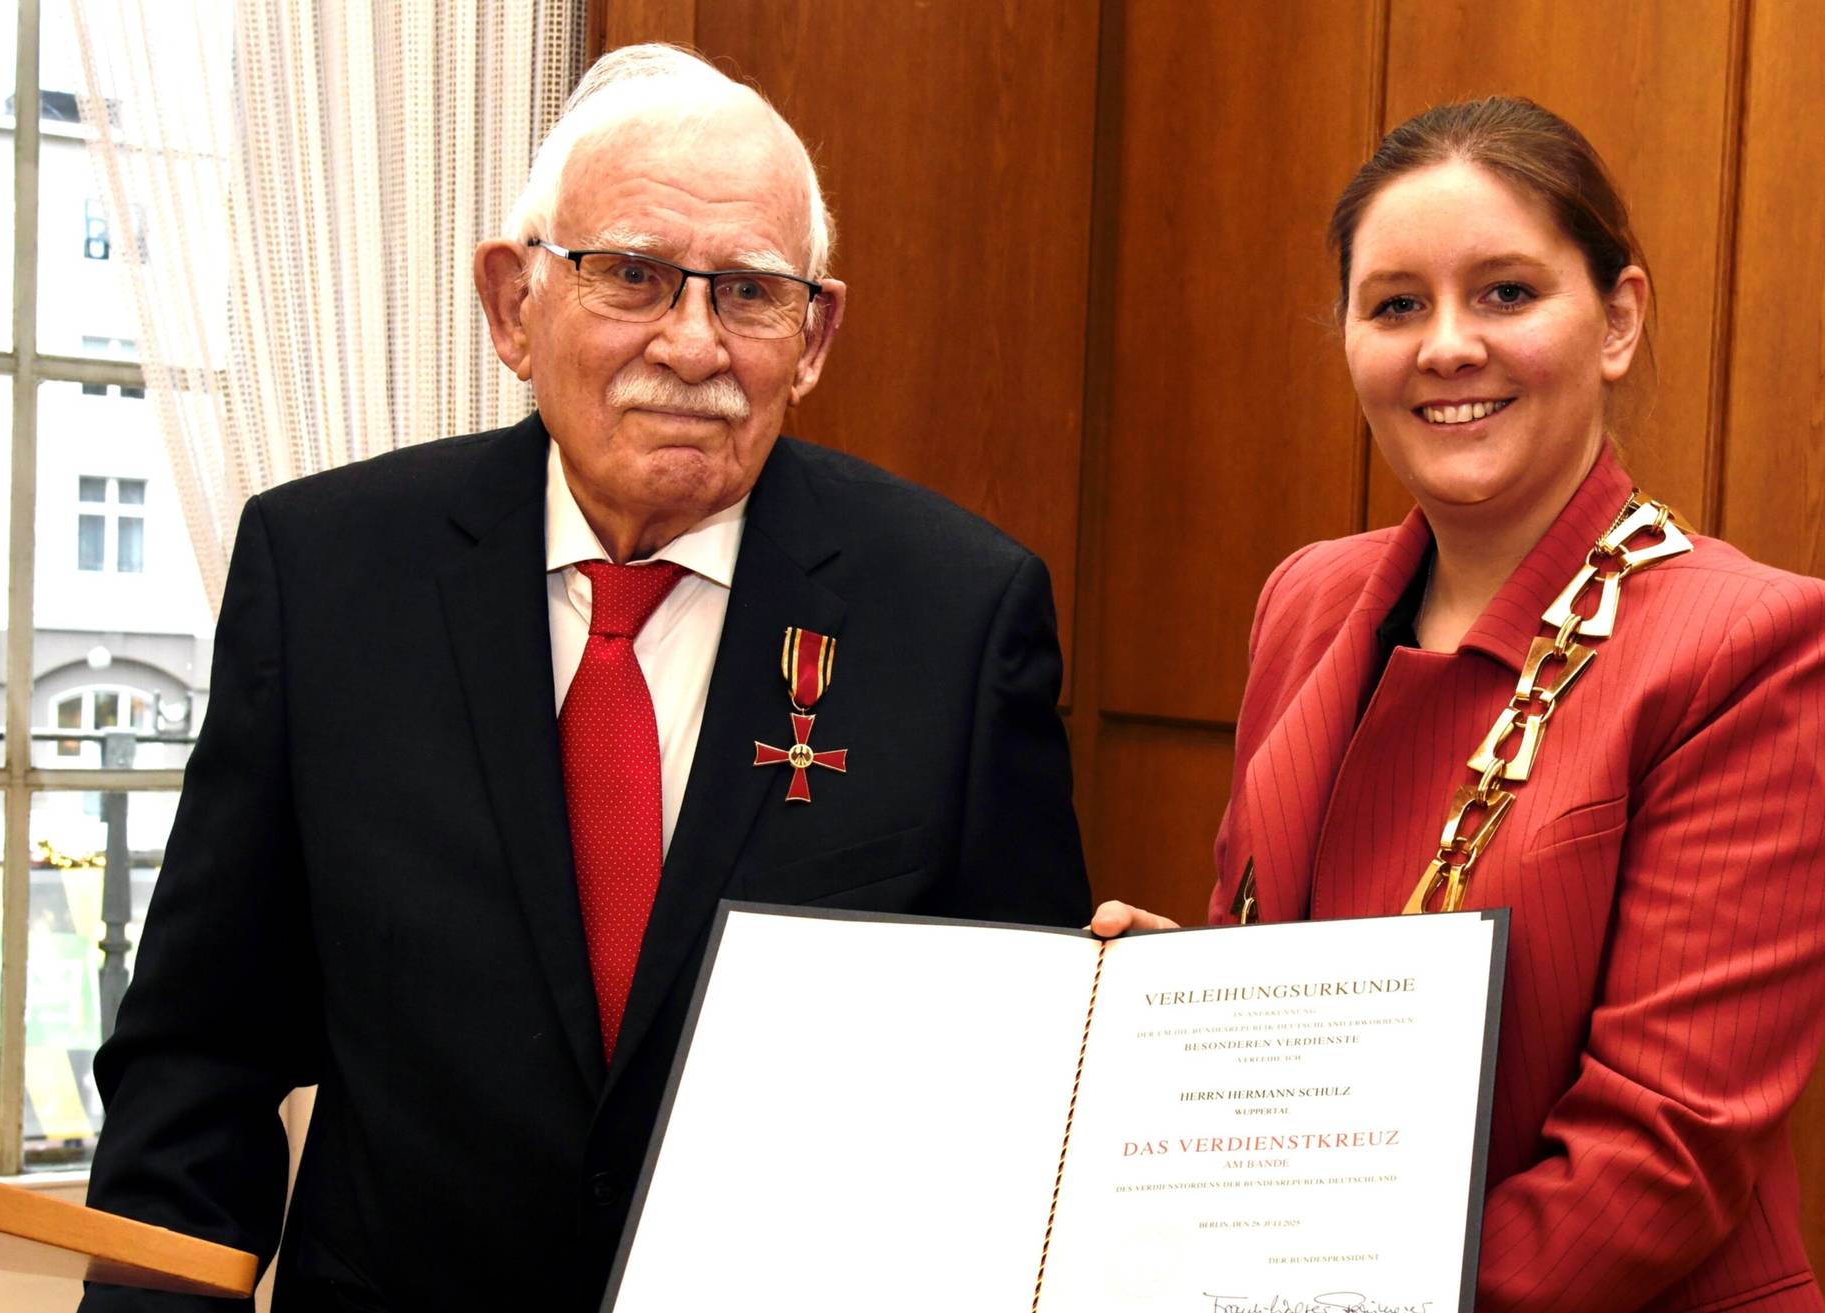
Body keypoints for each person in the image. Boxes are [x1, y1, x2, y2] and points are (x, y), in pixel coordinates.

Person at [83, 44, 1089, 1311]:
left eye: (750, 293)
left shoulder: (958, 613)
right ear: (515, 304)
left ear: (815, 334)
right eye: (633, 274)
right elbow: (201, 1054)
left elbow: (1020, 1087)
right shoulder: (330, 577)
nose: (692, 341)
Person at [1093, 97, 1825, 1312]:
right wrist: (1176, 1018)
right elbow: (1318, 1013)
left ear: (1618, 319)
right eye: (1396, 304)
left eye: (1507, 292)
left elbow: (1667, 1147)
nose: (1447, 346)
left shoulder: (1752, 645)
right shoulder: (1307, 600)